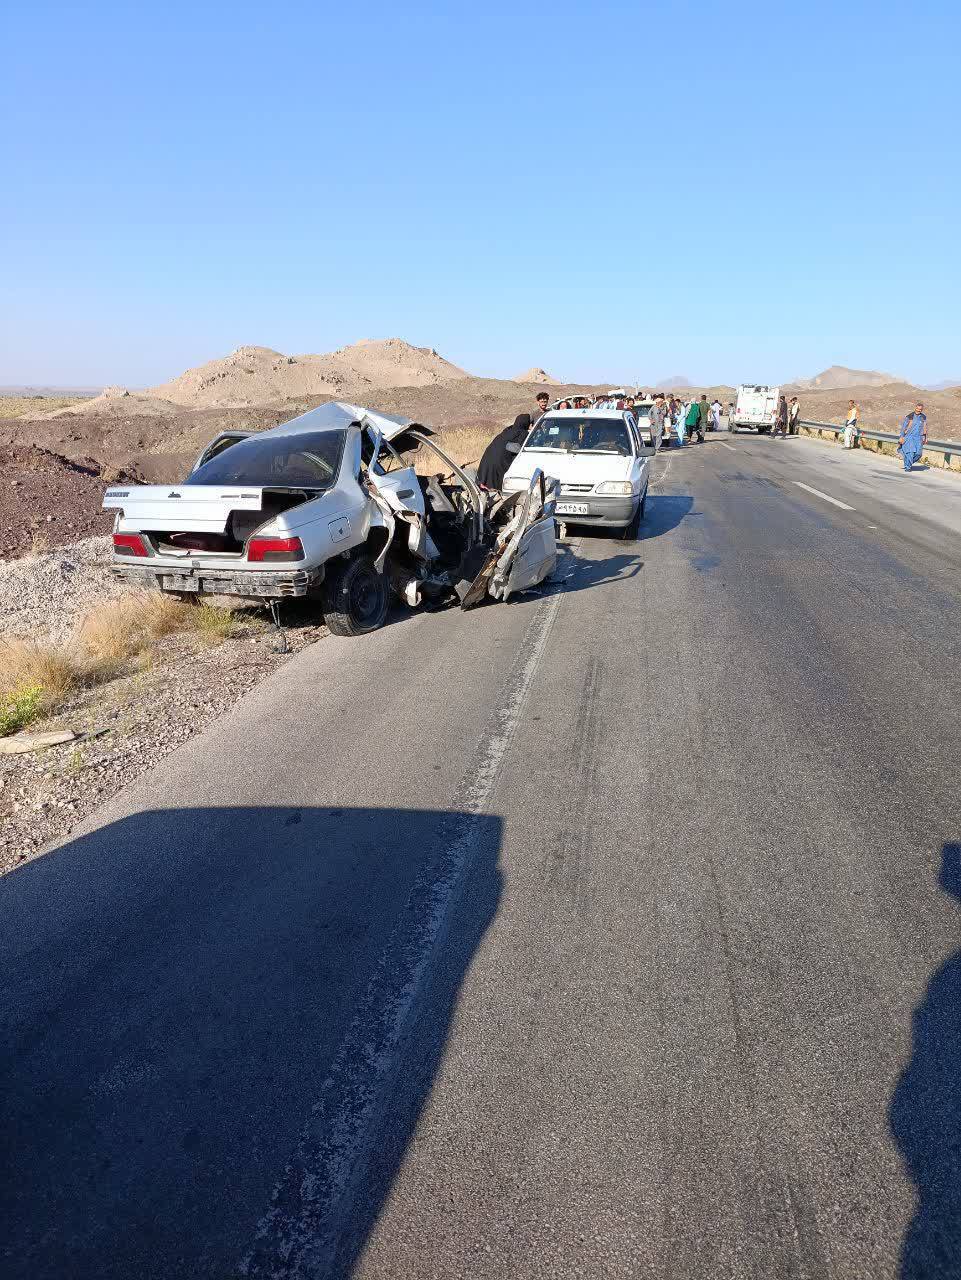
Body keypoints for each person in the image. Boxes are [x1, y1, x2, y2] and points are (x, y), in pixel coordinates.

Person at [477, 414, 532, 491]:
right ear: (526, 424)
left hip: (486, 462)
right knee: (498, 490)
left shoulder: (507, 430)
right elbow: (520, 449)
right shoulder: (522, 433)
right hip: (498, 463)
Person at [897, 402, 927, 472]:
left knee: (918, 454)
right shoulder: (909, 416)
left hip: (918, 438)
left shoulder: (923, 417)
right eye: (917, 408)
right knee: (910, 452)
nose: (918, 410)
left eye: (920, 409)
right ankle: (908, 467)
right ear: (915, 408)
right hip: (909, 437)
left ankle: (907, 462)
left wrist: (925, 437)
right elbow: (904, 428)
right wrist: (901, 437)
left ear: (922, 410)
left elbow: (925, 428)